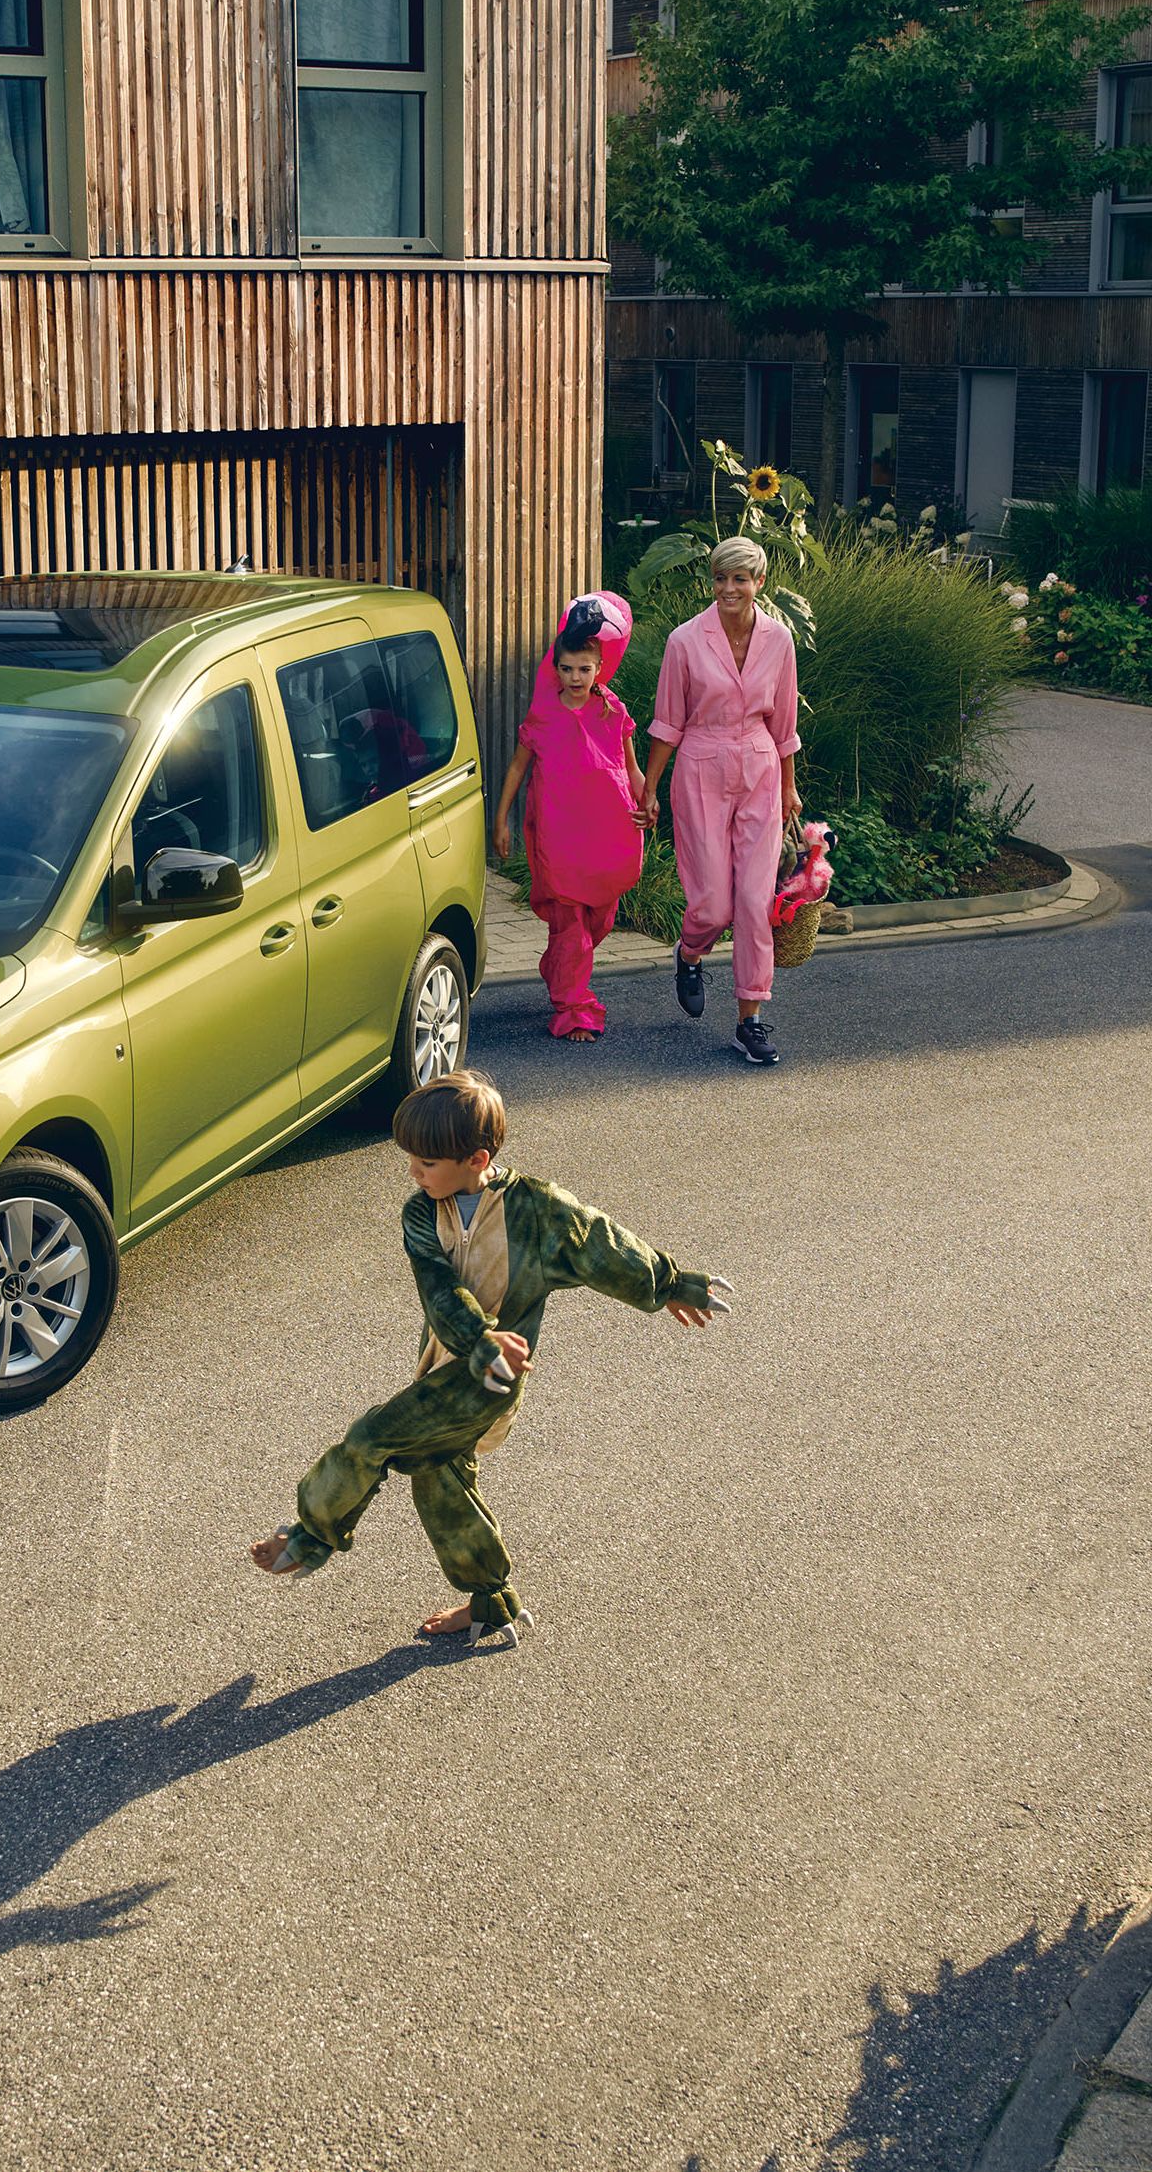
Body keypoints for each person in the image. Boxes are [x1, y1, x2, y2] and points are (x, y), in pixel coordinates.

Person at [249, 1070, 731, 1646]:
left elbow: (606, 1244)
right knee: (438, 1479)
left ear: (477, 1159)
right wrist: (476, 1337)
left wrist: (671, 1282)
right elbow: (438, 1289)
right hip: (448, 1361)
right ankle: (492, 1603)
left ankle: (309, 1539)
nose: (413, 1173)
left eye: (426, 1164)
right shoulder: (421, 1213)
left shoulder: (541, 1211)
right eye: (411, 1160)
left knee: (371, 1437)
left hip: (495, 1379)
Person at [639, 535, 802, 1069]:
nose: (729, 588)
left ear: (759, 582)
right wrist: (650, 787)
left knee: (755, 904)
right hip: (701, 767)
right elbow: (667, 722)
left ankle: (749, 1022)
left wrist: (790, 787)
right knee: (712, 903)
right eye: (720, 578)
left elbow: (784, 727)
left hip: (759, 766)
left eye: (740, 578)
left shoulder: (780, 640)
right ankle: (689, 954)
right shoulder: (685, 641)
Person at [491, 592, 647, 1043]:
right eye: (566, 668)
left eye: (584, 668)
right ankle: (573, 1008)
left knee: (599, 917)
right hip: (558, 833)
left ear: (599, 668)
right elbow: (519, 767)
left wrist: (647, 801)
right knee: (571, 922)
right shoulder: (543, 713)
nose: (575, 677)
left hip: (609, 830)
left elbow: (631, 767)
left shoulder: (613, 710)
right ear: (554, 668)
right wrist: (500, 820)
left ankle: (559, 965)